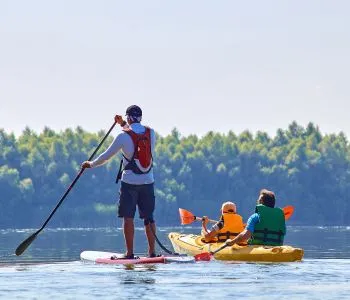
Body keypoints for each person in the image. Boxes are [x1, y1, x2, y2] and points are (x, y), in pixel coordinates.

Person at [81, 105, 157, 259]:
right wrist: (122, 123)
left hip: (129, 182)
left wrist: (91, 164)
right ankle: (152, 253)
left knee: (128, 217)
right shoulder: (151, 133)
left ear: (128, 117)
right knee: (149, 217)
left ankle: (129, 253)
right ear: (141, 117)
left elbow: (106, 156)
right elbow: (135, 131)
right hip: (148, 181)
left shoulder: (122, 136)